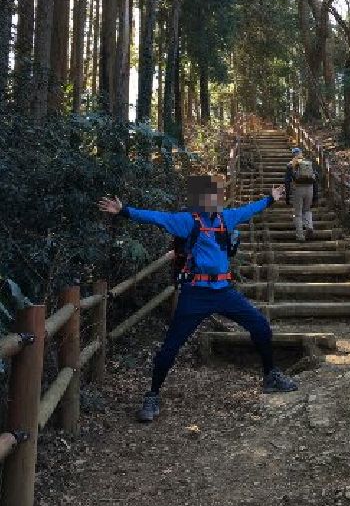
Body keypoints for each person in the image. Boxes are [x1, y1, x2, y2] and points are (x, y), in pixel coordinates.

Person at [98, 174, 298, 423]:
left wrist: (270, 199)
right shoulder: (187, 221)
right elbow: (157, 217)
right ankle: (152, 394)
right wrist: (123, 211)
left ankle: (270, 375)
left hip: (224, 292)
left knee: (260, 325)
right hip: (195, 293)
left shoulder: (227, 218)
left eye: (218, 195)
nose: (217, 199)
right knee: (171, 345)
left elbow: (249, 210)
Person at [284, 146, 319, 242]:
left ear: (293, 155)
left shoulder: (290, 165)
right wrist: (316, 196)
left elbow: (287, 182)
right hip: (310, 188)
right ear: (301, 154)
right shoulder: (308, 164)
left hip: (298, 189)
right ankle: (309, 226)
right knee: (307, 210)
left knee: (298, 213)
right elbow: (316, 178)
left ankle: (300, 235)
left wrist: (287, 197)